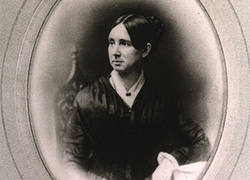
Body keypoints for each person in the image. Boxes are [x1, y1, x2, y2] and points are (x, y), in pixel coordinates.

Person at [63, 14, 210, 180]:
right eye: (112, 42)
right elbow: (71, 162)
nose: (115, 52)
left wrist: (171, 161)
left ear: (145, 50)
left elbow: (202, 144)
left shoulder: (162, 99)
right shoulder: (88, 99)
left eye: (125, 44)